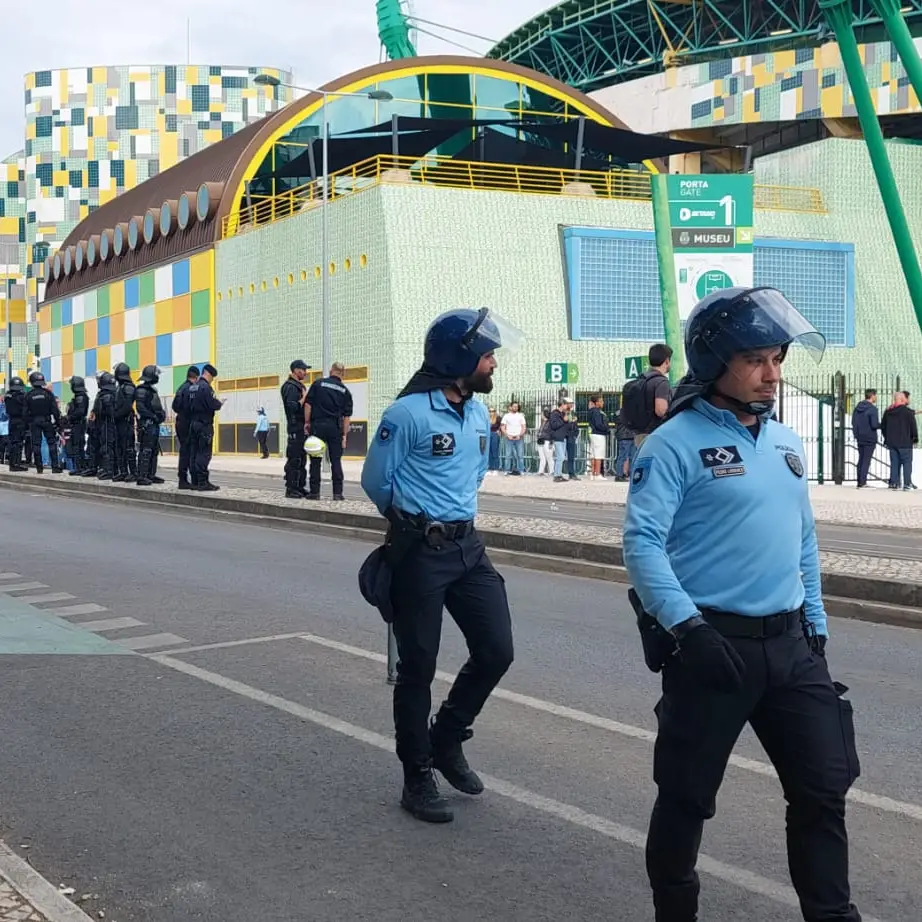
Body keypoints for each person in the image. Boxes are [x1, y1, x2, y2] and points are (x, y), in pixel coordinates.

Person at [623, 286, 861, 922]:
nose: (772, 373)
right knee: (685, 796)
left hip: (791, 649)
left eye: (777, 358)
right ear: (713, 362)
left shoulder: (785, 443)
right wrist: (688, 630)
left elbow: (802, 537)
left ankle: (832, 914)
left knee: (823, 791)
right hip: (713, 647)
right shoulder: (672, 444)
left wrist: (815, 621)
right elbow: (642, 545)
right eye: (756, 359)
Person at [360, 307, 523, 824]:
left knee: (497, 650)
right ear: (460, 359)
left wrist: (453, 522)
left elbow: (472, 475)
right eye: (487, 354)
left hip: (468, 548)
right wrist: (413, 523)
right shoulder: (406, 414)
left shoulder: (477, 414)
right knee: (418, 669)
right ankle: (417, 774)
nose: (493, 363)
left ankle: (447, 738)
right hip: (420, 553)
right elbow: (376, 482)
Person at [306, 361, 353, 501]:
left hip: (318, 425)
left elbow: (308, 404)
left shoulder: (318, 384)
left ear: (331, 370)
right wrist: (344, 435)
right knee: (336, 461)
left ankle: (314, 493)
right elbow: (346, 417)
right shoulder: (345, 392)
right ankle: (337, 494)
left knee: (315, 460)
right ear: (342, 374)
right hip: (335, 428)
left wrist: (307, 422)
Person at [621, 343, 673, 449]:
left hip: (638, 434)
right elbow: (660, 410)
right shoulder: (661, 382)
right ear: (667, 361)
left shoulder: (642, 380)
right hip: (655, 434)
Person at [187, 363, 223, 491]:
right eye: (212, 377)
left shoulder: (192, 387)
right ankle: (203, 482)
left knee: (194, 453)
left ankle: (195, 481)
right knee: (204, 453)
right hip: (204, 425)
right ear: (207, 374)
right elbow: (214, 404)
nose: (212, 380)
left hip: (193, 424)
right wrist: (220, 403)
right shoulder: (206, 388)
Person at [281, 359, 310, 498]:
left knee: (301, 459)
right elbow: (292, 407)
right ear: (296, 370)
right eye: (303, 370)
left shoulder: (298, 386)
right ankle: (291, 488)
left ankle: (299, 486)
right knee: (294, 459)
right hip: (295, 427)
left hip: (300, 428)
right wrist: (304, 397)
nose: (305, 372)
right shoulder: (290, 387)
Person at [24, 372, 62, 474]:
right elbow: (55, 411)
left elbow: (25, 412)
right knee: (52, 443)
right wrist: (58, 423)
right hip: (47, 420)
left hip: (35, 421)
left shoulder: (28, 395)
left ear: (32, 382)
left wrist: (29, 423)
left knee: (36, 444)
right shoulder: (48, 394)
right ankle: (55, 467)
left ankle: (39, 468)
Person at [135, 365, 166, 486]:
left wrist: (160, 416)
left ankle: (150, 474)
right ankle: (142, 476)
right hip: (147, 425)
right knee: (146, 450)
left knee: (154, 450)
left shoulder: (152, 390)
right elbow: (140, 407)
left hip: (154, 424)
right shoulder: (142, 390)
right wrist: (152, 416)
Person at [881, 390, 918, 491]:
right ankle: (907, 484)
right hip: (905, 442)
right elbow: (913, 427)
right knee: (906, 463)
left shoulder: (888, 412)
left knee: (894, 463)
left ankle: (894, 483)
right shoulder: (908, 412)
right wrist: (915, 438)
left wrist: (887, 438)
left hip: (892, 442)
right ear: (902, 400)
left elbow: (883, 426)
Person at [171, 365, 199, 489]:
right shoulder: (190, 389)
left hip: (180, 422)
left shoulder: (181, 388)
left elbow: (174, 406)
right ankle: (184, 480)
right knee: (187, 452)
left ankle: (182, 478)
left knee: (184, 451)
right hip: (187, 423)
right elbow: (192, 407)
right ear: (196, 377)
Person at [112, 362, 138, 483]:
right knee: (120, 447)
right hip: (119, 421)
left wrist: (116, 414)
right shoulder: (120, 387)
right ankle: (123, 471)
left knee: (128, 447)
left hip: (126, 421)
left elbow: (127, 406)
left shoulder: (128, 387)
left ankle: (133, 472)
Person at [90, 372, 118, 480]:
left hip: (106, 423)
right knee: (108, 446)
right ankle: (110, 468)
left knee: (106, 446)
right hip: (106, 423)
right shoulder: (113, 393)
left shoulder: (106, 395)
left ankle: (108, 469)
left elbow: (106, 411)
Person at [850, 388, 879, 488]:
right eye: (876, 395)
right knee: (866, 460)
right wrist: (882, 425)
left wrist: (856, 433)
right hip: (870, 437)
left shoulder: (857, 408)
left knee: (861, 459)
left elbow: (853, 422)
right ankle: (863, 482)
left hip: (859, 436)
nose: (876, 397)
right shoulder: (872, 409)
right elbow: (874, 425)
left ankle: (860, 481)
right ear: (872, 396)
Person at [65, 375, 90, 476]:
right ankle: (79, 467)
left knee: (77, 445)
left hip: (78, 424)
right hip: (77, 423)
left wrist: (70, 417)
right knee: (77, 445)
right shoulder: (80, 396)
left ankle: (79, 467)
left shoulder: (80, 396)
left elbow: (80, 411)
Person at [4, 377, 27, 471]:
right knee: (18, 443)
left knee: (12, 441)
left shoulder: (8, 395)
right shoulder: (22, 396)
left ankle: (12, 463)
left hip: (11, 421)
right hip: (19, 420)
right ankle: (16, 464)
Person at [500, 401, 527, 475]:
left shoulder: (521, 416)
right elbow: (502, 427)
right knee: (508, 455)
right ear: (510, 407)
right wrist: (507, 435)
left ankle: (521, 470)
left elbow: (524, 427)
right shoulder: (506, 416)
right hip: (509, 438)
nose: (516, 408)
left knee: (520, 455)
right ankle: (507, 470)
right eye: (514, 406)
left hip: (519, 438)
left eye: (517, 406)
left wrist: (520, 435)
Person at [587, 395, 609, 480]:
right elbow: (598, 424)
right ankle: (598, 474)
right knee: (599, 455)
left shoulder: (591, 411)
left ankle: (592, 473)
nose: (602, 403)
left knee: (593, 454)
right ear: (596, 403)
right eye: (601, 401)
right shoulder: (597, 411)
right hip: (598, 434)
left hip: (592, 433)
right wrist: (606, 429)